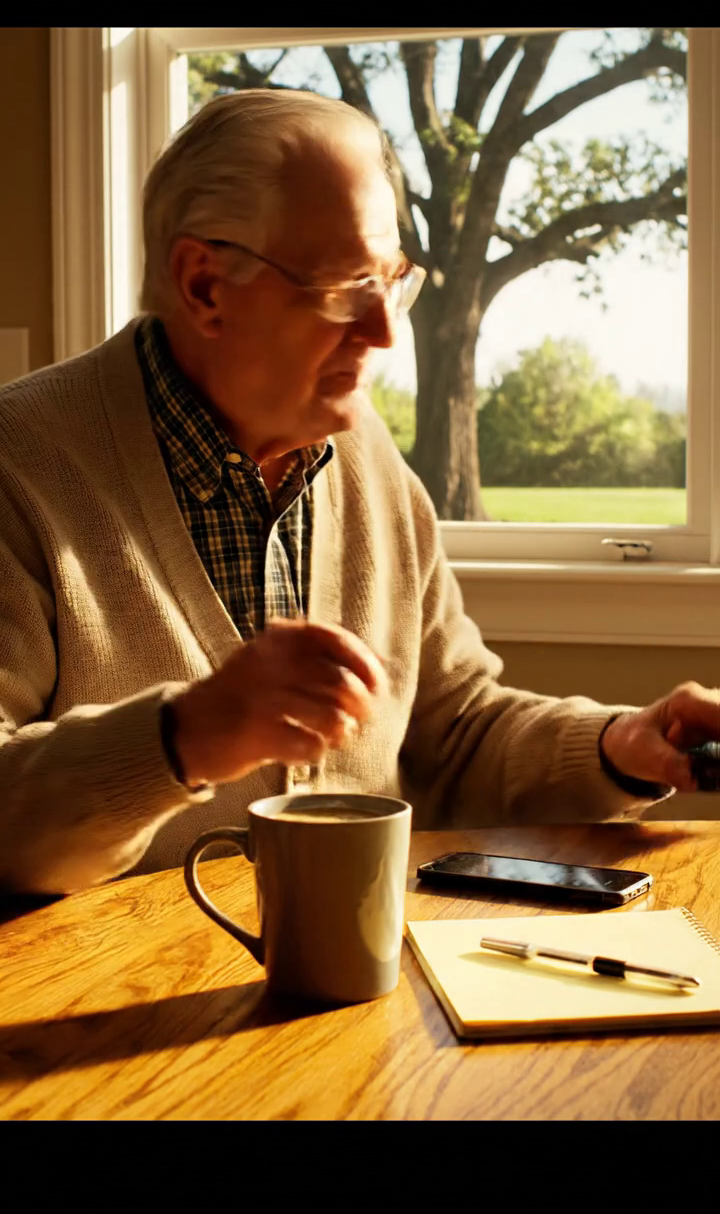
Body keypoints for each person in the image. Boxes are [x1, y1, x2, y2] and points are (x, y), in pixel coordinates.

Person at [0, 89, 717, 897]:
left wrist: (618, 745)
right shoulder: (21, 467)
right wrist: (185, 738)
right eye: (343, 287)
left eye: (392, 282)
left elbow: (456, 731)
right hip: (90, 1011)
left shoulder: (365, 454)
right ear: (204, 285)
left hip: (358, 1003)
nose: (384, 332)